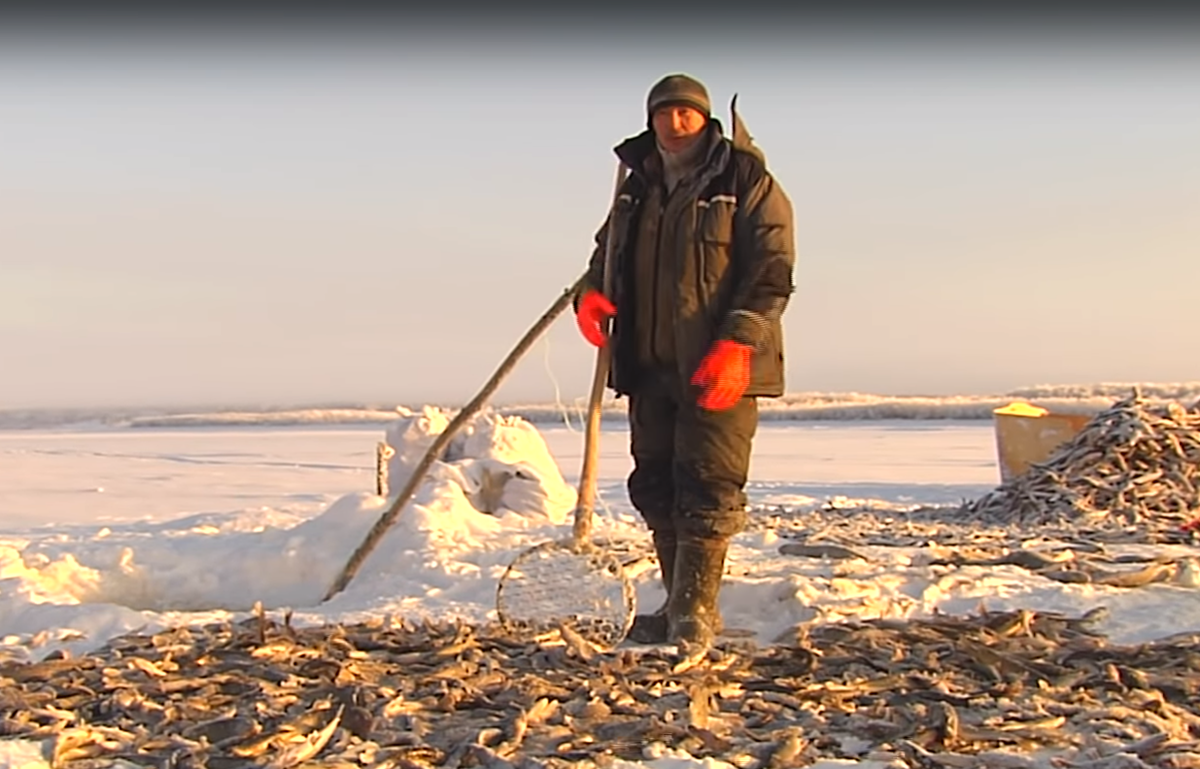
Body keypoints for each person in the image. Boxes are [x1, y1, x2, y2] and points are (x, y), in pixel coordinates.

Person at [573, 73, 796, 647]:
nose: (674, 125)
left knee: (708, 482)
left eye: (686, 115)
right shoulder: (636, 184)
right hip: (648, 361)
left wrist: (737, 342)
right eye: (664, 114)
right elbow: (608, 249)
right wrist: (590, 294)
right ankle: (676, 604)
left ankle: (697, 612)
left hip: (719, 361)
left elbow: (772, 268)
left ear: (704, 119)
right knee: (656, 483)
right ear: (651, 120)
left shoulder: (742, 178)